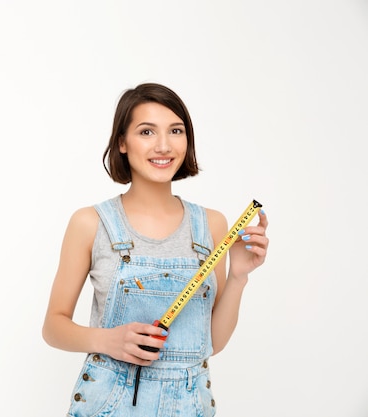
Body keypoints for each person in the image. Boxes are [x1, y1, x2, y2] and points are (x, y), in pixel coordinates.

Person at [42, 82, 269, 416]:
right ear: (122, 142)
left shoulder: (212, 225)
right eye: (147, 132)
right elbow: (52, 327)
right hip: (109, 406)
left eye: (175, 130)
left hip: (190, 406)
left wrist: (238, 277)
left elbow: (210, 344)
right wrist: (109, 341)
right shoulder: (91, 223)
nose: (164, 145)